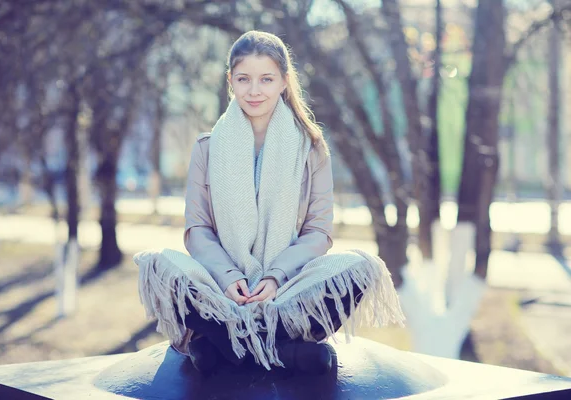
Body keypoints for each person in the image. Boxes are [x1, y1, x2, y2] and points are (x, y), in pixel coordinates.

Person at [134, 30, 404, 376]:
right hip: (223, 289)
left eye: (266, 79)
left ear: (283, 82)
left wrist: (275, 277)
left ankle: (225, 345)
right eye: (244, 79)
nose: (255, 90)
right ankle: (285, 349)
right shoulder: (207, 147)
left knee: (358, 266)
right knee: (159, 263)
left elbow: (318, 232)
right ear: (231, 81)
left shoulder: (312, 148)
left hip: (289, 287)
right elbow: (197, 229)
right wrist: (230, 277)